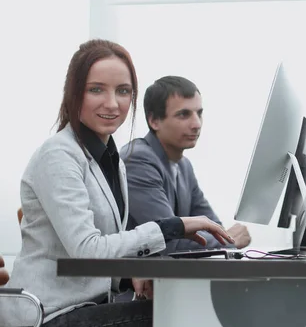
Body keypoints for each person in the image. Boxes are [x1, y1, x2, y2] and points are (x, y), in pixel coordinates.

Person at [0, 40, 234, 327]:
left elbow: (100, 251)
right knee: (188, 314)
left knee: (190, 306)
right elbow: (88, 250)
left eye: (123, 91)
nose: (112, 103)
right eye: (96, 89)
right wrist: (172, 226)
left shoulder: (111, 159)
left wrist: (129, 274)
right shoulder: (58, 156)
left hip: (88, 305)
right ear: (74, 94)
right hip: (51, 314)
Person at [121, 76, 251, 253]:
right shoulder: (137, 160)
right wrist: (230, 240)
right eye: (184, 115)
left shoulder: (184, 166)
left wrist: (224, 237)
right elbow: (169, 240)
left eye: (199, 113)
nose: (196, 124)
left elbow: (214, 226)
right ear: (154, 121)